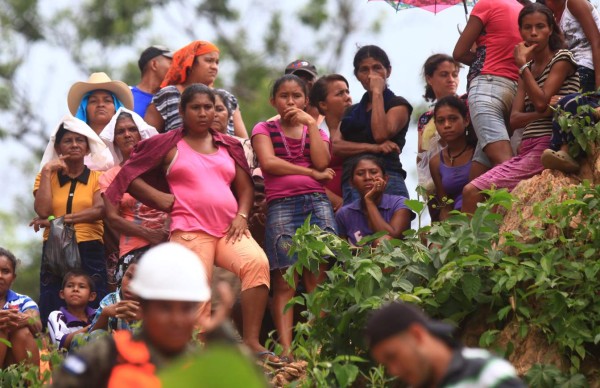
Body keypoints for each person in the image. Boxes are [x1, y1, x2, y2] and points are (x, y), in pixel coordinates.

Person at [105, 84, 274, 363]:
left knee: (258, 264)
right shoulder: (169, 144)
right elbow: (129, 175)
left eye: (209, 107)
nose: (204, 113)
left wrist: (242, 216)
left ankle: (252, 341)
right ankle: (197, 352)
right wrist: (160, 198)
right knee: (196, 288)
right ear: (182, 111)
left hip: (228, 228)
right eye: (196, 107)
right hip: (189, 230)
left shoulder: (229, 145)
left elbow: (245, 189)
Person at [462, 2, 580, 214]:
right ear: (520, 31)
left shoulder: (562, 58)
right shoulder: (526, 70)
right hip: (525, 147)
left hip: (546, 146)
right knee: (478, 193)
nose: (533, 33)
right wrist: (545, 110)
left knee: (472, 191)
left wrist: (524, 69)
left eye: (540, 26)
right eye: (527, 27)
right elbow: (515, 119)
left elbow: (541, 101)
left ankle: (474, 247)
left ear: (550, 29)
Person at [252, 74, 337, 360]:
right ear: (273, 101)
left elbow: (324, 160)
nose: (290, 101)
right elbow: (269, 163)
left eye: (296, 96)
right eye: (284, 96)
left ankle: (314, 348)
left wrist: (311, 123)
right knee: (285, 282)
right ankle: (288, 351)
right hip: (282, 206)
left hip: (316, 204)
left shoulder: (315, 128)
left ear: (306, 101)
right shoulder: (263, 128)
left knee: (317, 278)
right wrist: (311, 173)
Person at [52, 243, 213, 386]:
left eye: (186, 309)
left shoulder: (192, 358)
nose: (176, 319)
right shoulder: (106, 351)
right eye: (165, 308)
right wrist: (107, 314)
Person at [32, 115, 109, 325]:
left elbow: (99, 210)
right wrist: (48, 169)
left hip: (89, 245)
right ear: (58, 147)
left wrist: (59, 220)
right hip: (55, 247)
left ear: (87, 147)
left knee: (95, 298)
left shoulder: (98, 177)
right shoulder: (46, 176)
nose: (74, 145)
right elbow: (42, 209)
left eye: (79, 140)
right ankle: (52, 353)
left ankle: (95, 348)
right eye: (68, 141)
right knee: (51, 300)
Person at [366, 302, 525, 387]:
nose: (394, 370)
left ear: (417, 335)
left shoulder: (485, 373)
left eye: (392, 356)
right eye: (386, 365)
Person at [453, 0, 525, 172]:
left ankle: (521, 199)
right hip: (518, 90)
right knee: (477, 181)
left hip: (488, 87)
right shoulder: (524, 9)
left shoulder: (486, 4)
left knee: (504, 162)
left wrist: (482, 57)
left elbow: (459, 53)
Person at [99, 108, 166, 287]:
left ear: (141, 133)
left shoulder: (162, 167)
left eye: (132, 129)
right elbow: (112, 218)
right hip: (133, 251)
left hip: (170, 243)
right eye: (121, 132)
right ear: (115, 140)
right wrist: (149, 234)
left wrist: (164, 233)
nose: (127, 134)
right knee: (133, 310)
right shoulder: (110, 176)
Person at [339, 45, 412, 204]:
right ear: (357, 75)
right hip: (354, 183)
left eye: (377, 68)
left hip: (388, 178)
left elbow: (380, 134)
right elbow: (336, 147)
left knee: (391, 229)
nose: (371, 75)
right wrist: (374, 148)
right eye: (364, 70)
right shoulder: (350, 112)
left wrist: (377, 93)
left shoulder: (398, 105)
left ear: (388, 71)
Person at [145, 40, 248, 138]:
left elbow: (245, 143)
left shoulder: (226, 98)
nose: (214, 67)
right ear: (190, 63)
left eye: (217, 62)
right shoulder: (167, 95)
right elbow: (147, 139)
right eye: (209, 61)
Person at [416, 54, 463, 222]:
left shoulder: (466, 105)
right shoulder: (425, 119)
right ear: (430, 78)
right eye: (444, 75)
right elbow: (422, 156)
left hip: (463, 174)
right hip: (435, 183)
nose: (451, 79)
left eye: (455, 74)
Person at [336, 155, 413, 246]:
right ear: (352, 183)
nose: (367, 177)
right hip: (359, 260)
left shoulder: (400, 204)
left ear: (385, 179)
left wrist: (369, 202)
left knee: (382, 241)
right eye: (360, 173)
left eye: (373, 172)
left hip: (393, 259)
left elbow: (392, 242)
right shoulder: (344, 214)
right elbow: (342, 251)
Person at [430, 96, 484, 220]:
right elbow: (445, 207)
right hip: (457, 224)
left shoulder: (480, 150)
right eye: (441, 121)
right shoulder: (435, 162)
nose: (447, 125)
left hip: (482, 217)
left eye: (453, 119)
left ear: (466, 120)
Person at [309, 74, 353, 211]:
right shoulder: (315, 137)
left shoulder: (361, 131)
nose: (348, 97)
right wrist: (337, 202)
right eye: (340, 93)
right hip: (324, 209)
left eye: (347, 91)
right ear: (323, 104)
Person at [541, 0, 600, 92]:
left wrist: (598, 86)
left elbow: (596, 41)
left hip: (588, 66)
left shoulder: (574, 2)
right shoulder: (554, 18)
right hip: (571, 68)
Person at [0, 247, 41, 367]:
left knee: (21, 331)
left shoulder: (24, 301)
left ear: (13, 277)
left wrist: (22, 319)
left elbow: (37, 325)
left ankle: (33, 384)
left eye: (5, 271)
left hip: (15, 364)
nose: (0, 276)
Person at [47, 270, 97, 351]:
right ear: (62, 294)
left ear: (91, 296)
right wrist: (94, 326)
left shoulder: (97, 315)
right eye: (70, 286)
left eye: (81, 286)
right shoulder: (57, 316)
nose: (75, 289)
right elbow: (59, 343)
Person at [89, 258, 140, 333]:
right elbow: (91, 337)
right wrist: (105, 313)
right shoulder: (110, 301)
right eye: (129, 276)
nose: (130, 285)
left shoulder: (153, 307)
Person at [131, 45, 173, 117]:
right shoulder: (126, 94)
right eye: (171, 64)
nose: (175, 68)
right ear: (154, 64)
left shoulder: (171, 99)